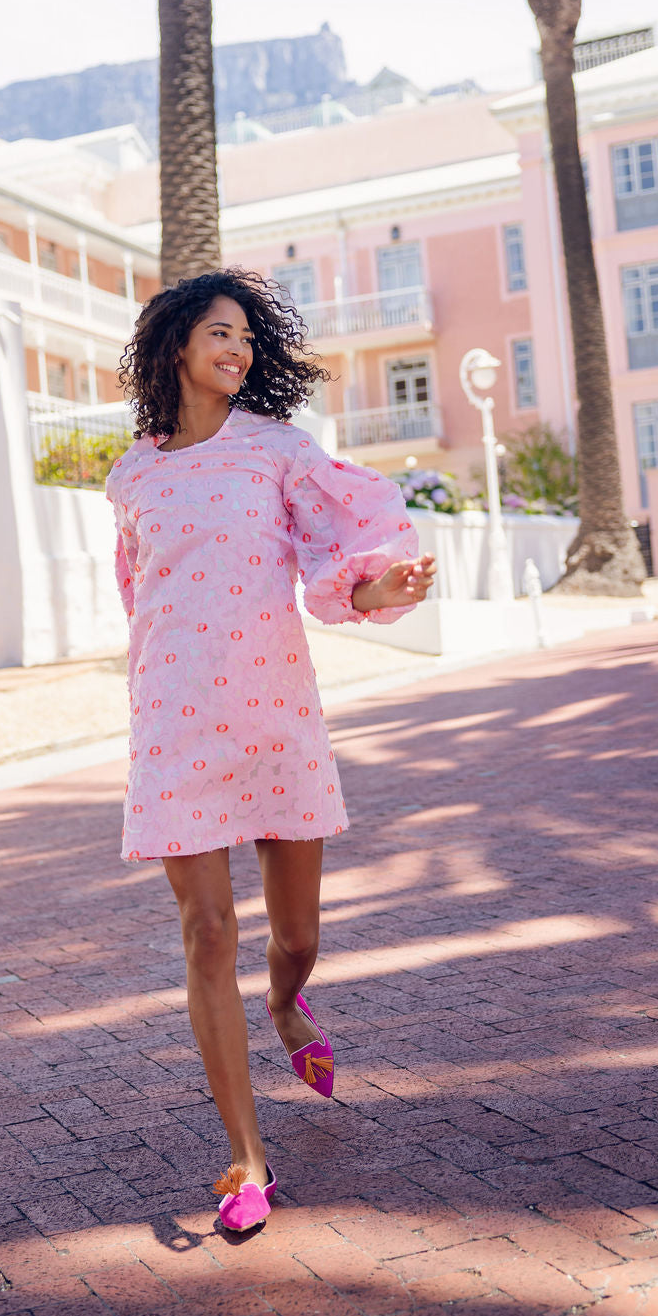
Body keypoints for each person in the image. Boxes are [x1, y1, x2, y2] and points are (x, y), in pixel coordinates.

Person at [106, 269, 435, 1232]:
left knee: (294, 937)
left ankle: (289, 1007)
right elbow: (142, 598)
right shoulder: (130, 475)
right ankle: (246, 1160)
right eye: (219, 332)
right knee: (208, 931)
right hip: (172, 725)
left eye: (247, 337)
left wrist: (378, 590)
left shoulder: (278, 453)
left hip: (274, 719)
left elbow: (337, 568)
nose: (238, 349)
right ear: (174, 345)